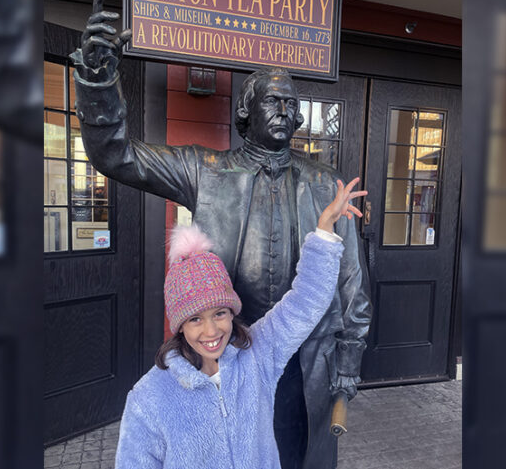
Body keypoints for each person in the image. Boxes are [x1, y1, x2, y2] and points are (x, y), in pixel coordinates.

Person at [72, 0, 374, 466]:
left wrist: (350, 356)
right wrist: (97, 81)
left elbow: (351, 279)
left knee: (297, 457)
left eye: (291, 104)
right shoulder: (205, 170)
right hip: (228, 355)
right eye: (272, 100)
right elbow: (116, 155)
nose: (285, 111)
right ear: (244, 113)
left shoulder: (324, 183)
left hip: (303, 360)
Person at [115, 179, 366, 469]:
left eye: (220, 313)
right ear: (180, 325)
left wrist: (324, 231)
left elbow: (305, 302)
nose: (211, 331)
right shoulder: (148, 399)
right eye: (195, 318)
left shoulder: (258, 356)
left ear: (233, 313)